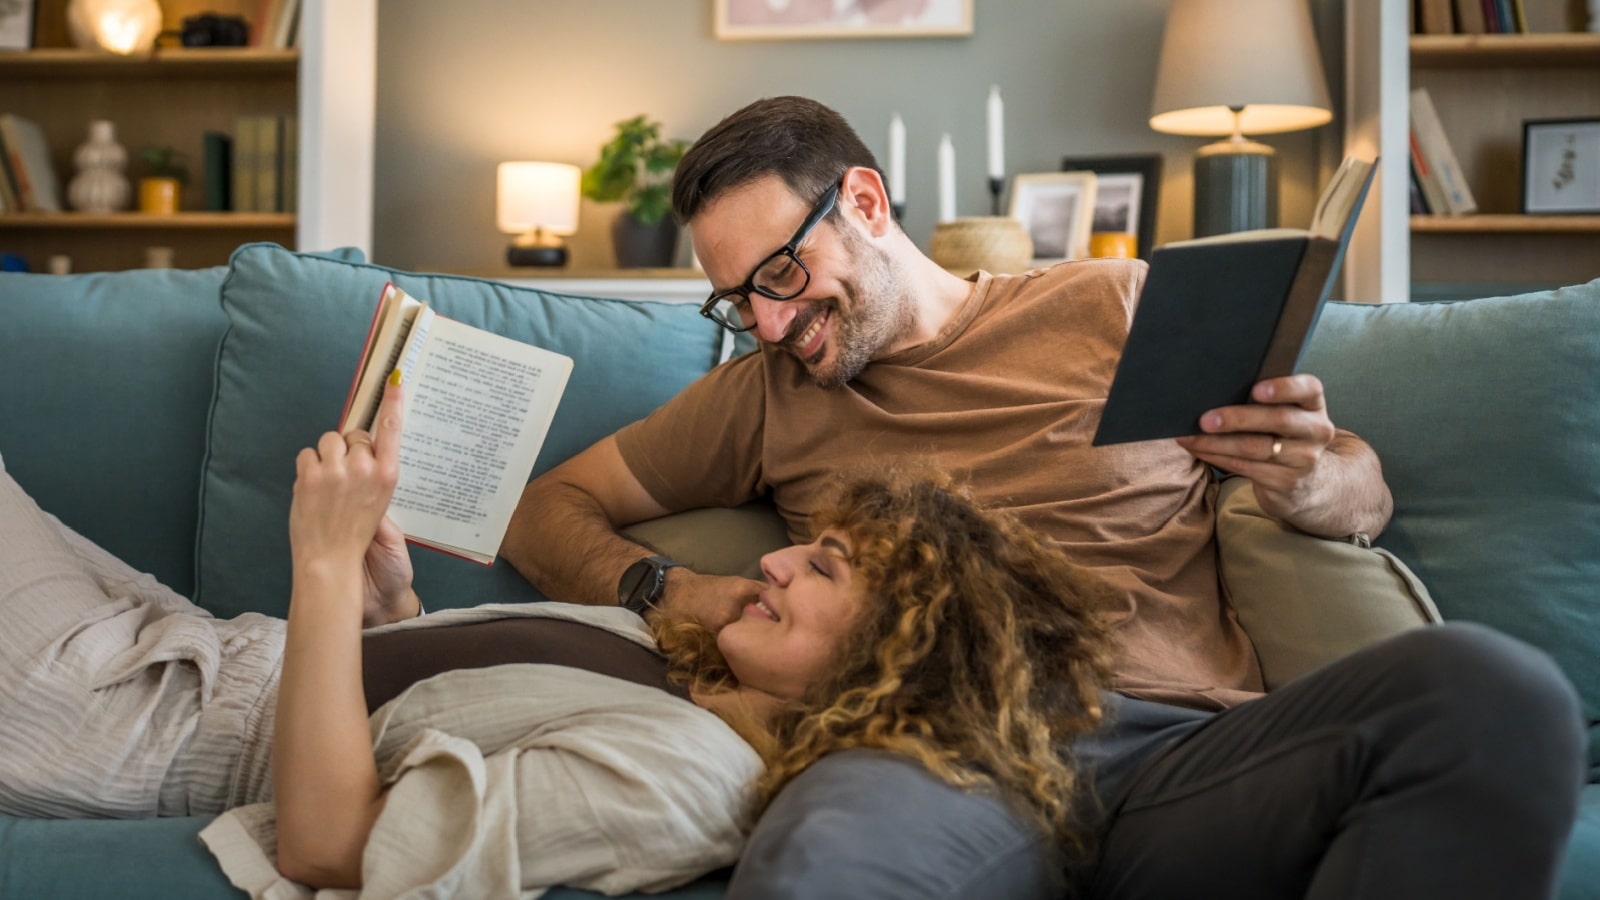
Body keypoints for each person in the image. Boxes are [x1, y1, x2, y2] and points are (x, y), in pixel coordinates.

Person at [500, 96, 1588, 898]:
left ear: (865, 204)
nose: (772, 323)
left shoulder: (1113, 304)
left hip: (1182, 753)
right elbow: (543, 505)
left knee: (1493, 691)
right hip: (933, 762)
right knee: (821, 869)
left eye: (779, 276)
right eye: (738, 302)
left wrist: (1319, 482)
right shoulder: (766, 394)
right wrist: (662, 587)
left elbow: (1359, 485)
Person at [0, 376, 1117, 896]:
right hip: (197, 645)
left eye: (820, 569)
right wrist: (394, 605)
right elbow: (443, 712)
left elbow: (331, 849)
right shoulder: (703, 674)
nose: (774, 559)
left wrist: (328, 566)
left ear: (891, 662)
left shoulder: (683, 783)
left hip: (134, 721)